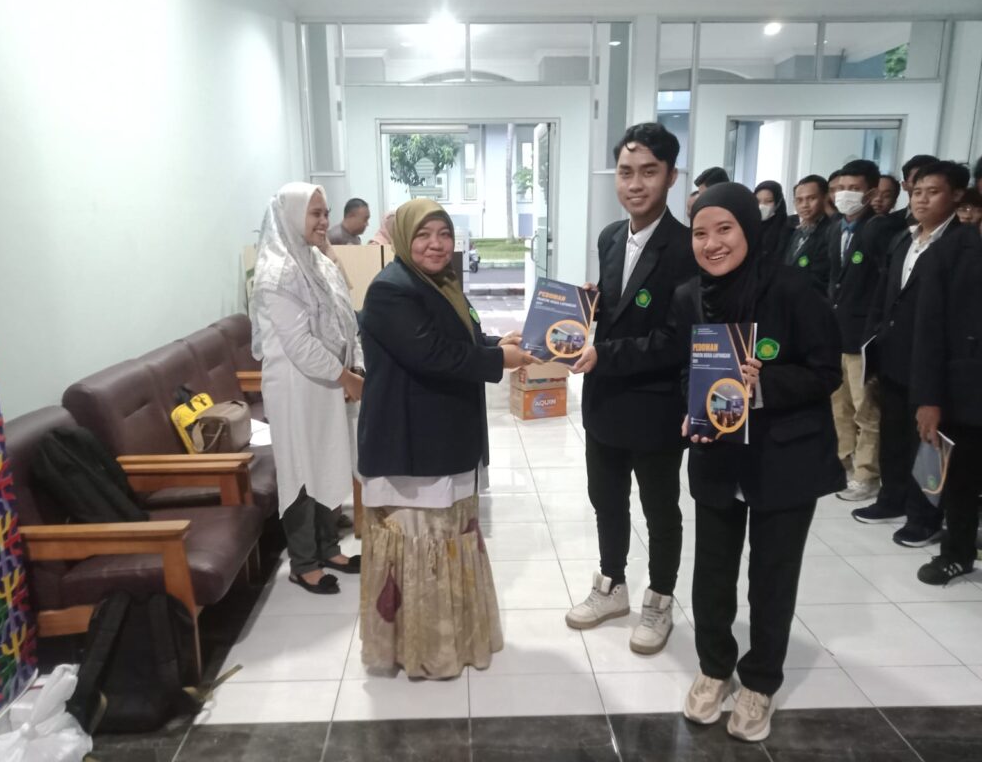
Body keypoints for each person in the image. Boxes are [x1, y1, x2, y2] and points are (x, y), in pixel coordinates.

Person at [676, 183, 844, 742]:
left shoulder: (793, 289)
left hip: (784, 459)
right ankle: (714, 667)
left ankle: (760, 681)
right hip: (717, 454)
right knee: (712, 573)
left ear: (749, 228)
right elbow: (685, 370)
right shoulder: (689, 296)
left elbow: (826, 371)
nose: (712, 243)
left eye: (724, 229)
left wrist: (764, 385)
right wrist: (690, 410)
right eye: (700, 233)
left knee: (772, 577)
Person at [356, 198, 537, 678]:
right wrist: (499, 362)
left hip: (443, 436)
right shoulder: (391, 290)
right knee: (421, 549)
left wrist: (496, 344)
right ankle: (425, 651)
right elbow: (432, 355)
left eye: (444, 234)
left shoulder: (440, 283)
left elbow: (456, 341)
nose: (436, 244)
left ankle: (451, 640)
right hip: (413, 446)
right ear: (403, 238)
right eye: (423, 234)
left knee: (446, 542)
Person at [567, 123, 698, 656]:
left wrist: (607, 354)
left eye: (648, 172)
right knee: (606, 500)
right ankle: (611, 585)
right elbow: (621, 310)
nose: (635, 184)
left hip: (656, 403)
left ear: (670, 176)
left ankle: (659, 599)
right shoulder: (610, 237)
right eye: (626, 172)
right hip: (605, 399)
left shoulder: (687, 248)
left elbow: (676, 338)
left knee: (660, 508)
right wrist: (592, 305)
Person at [250, 183, 362, 595]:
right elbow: (298, 344)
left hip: (328, 381)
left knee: (329, 459)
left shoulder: (316, 261)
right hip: (296, 388)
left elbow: (345, 318)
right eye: (315, 214)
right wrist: (346, 377)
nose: (324, 221)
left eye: (326, 213)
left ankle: (329, 547)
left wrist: (354, 365)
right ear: (292, 216)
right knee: (300, 468)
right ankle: (303, 563)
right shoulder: (276, 273)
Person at [855, 161, 970, 548]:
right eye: (917, 192)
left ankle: (924, 518)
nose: (922, 200)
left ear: (956, 195)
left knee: (928, 442)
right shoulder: (903, 239)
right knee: (894, 435)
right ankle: (892, 499)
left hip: (934, 364)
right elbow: (884, 296)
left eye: (932, 192)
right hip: (894, 356)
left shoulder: (962, 246)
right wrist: (873, 342)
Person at [911, 204, 982, 584]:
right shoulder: (951, 252)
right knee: (962, 479)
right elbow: (928, 331)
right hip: (965, 391)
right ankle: (957, 553)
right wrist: (929, 398)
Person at [828, 159, 886, 502]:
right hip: (836, 332)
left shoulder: (878, 230)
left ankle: (866, 474)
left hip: (863, 336)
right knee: (840, 406)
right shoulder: (836, 228)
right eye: (840, 188)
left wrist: (873, 333)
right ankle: (844, 462)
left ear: (871, 193)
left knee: (866, 410)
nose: (845, 194)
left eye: (854, 188)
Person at [782, 175, 832, 294]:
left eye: (811, 198)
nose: (804, 205)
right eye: (799, 200)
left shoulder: (830, 231)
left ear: (825, 198)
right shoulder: (794, 229)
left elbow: (820, 277)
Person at [754, 180, 792, 260]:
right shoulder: (749, 226)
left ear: (778, 203)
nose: (762, 206)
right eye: (758, 201)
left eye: (769, 201)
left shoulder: (787, 229)